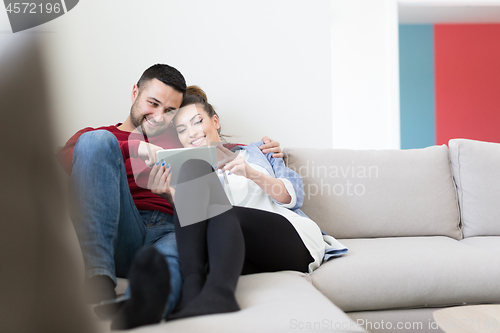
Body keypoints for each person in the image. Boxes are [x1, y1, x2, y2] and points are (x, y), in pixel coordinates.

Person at [57, 65, 284, 329]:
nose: (157, 117)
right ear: (135, 93)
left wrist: (263, 150)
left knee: (177, 258)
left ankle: (141, 307)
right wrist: (134, 147)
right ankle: (99, 281)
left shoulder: (181, 139)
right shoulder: (98, 138)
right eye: (152, 103)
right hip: (120, 227)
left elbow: (220, 151)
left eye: (169, 112)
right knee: (97, 141)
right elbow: (73, 160)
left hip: (170, 227)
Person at [141, 86, 347, 322]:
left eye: (197, 122)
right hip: (237, 251)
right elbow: (196, 229)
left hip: (291, 241)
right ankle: (192, 291)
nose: (192, 133)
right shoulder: (189, 174)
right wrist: (169, 194)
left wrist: (250, 172)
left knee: (223, 213)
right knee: (194, 169)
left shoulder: (257, 153)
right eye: (182, 129)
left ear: (215, 122)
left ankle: (220, 294)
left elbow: (293, 196)